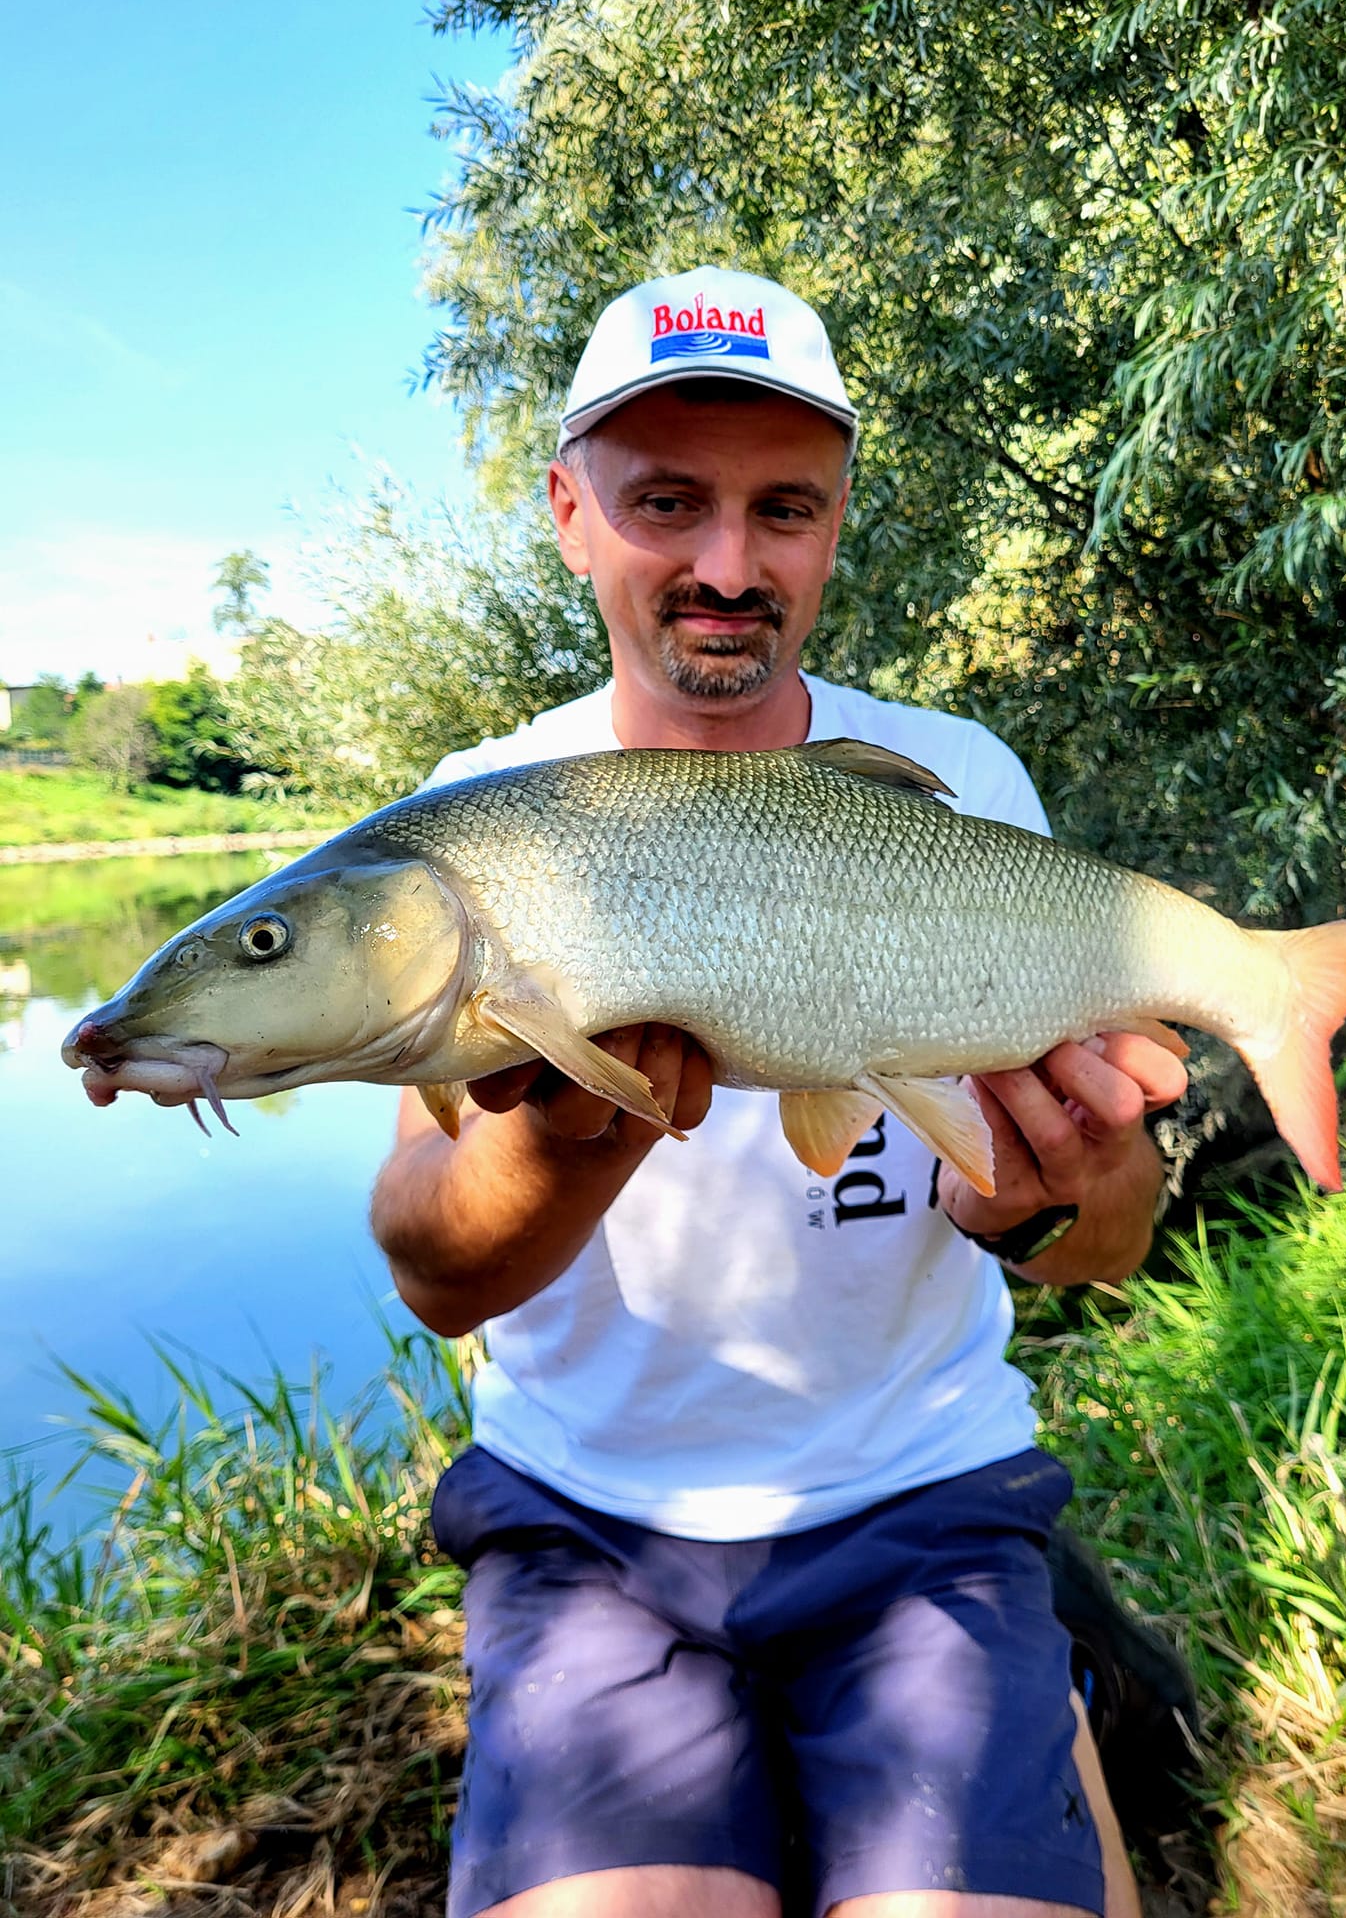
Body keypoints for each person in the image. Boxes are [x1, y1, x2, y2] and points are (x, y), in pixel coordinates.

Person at [370, 266, 1189, 1918]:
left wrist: (1065, 1185)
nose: (731, 568)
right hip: (588, 1526)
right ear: (571, 515)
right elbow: (437, 1275)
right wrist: (576, 1137)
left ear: (834, 526)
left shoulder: (957, 783)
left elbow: (1107, 1249)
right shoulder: (479, 814)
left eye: (784, 510)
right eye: (668, 502)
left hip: (923, 1498)